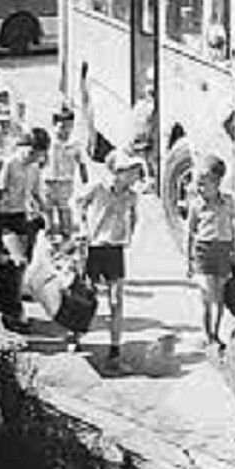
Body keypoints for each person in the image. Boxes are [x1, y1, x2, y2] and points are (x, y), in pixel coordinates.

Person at [75, 153, 143, 376]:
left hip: (115, 249)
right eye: (132, 171)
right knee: (86, 297)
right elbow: (79, 203)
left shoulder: (132, 196)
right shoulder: (98, 187)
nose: (136, 176)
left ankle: (115, 350)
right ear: (119, 172)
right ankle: (75, 337)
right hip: (94, 248)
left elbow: (135, 217)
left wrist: (128, 235)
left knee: (116, 301)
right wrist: (83, 229)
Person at [0, 129, 49, 332]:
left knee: (19, 267)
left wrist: (48, 215)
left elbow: (36, 194)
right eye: (31, 152)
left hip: (20, 217)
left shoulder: (34, 168)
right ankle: (13, 310)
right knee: (18, 260)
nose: (32, 157)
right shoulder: (8, 164)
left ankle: (11, 308)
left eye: (37, 154)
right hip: (3, 218)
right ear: (22, 147)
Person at [186, 155, 235, 351]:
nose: (200, 189)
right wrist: (189, 260)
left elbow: (232, 227)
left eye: (204, 184)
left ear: (216, 183)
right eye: (198, 185)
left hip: (223, 250)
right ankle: (207, 334)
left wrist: (234, 253)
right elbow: (190, 233)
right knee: (207, 295)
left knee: (220, 296)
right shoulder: (196, 205)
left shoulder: (228, 201)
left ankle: (216, 334)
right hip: (203, 251)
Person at [45, 106, 88, 241]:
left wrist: (85, 183)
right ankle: (49, 237)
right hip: (48, 182)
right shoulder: (49, 142)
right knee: (47, 211)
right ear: (54, 125)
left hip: (65, 182)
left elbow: (82, 164)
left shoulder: (75, 144)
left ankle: (66, 237)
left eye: (69, 127)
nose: (66, 130)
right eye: (62, 127)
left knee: (64, 210)